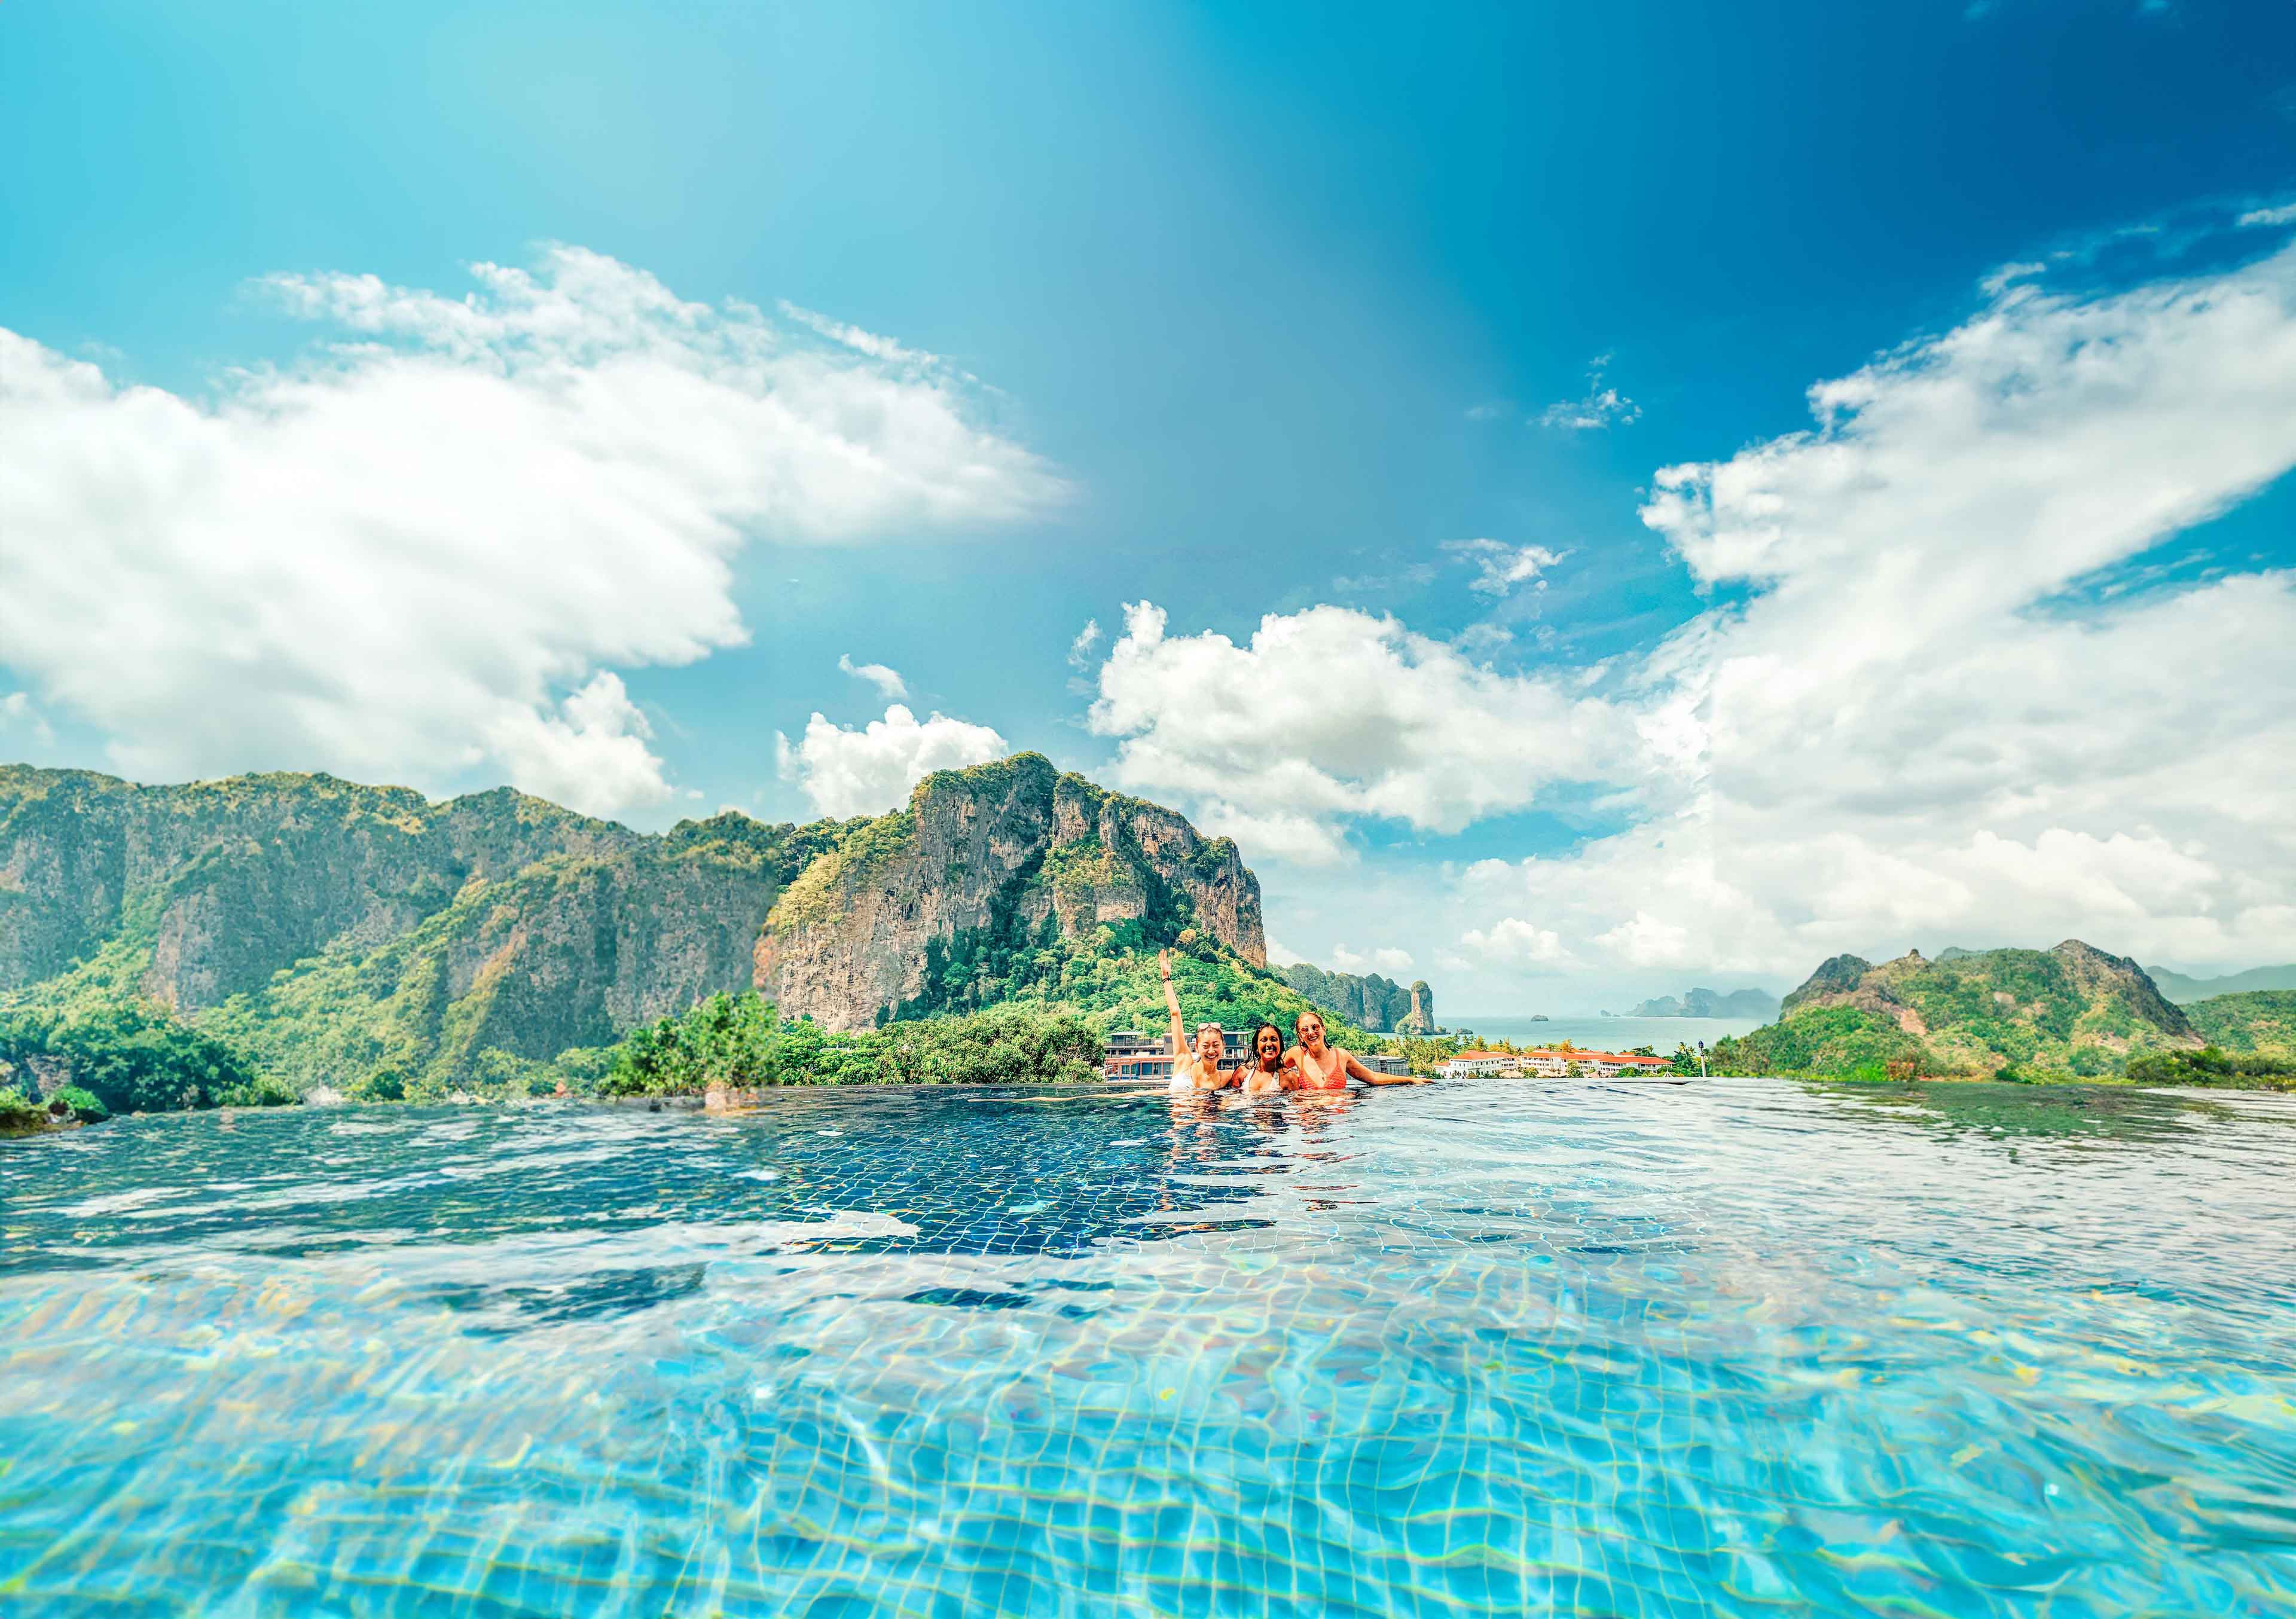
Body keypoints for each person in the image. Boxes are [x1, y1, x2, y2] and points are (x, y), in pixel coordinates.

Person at [1286, 1009, 1428, 1090]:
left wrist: (1410, 1079)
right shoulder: (1297, 1054)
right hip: (1311, 1121)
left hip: (1337, 1125)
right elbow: (1267, 1069)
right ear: (1300, 1036)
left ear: (1324, 1029)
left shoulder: (1341, 1056)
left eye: (1315, 1027)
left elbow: (1373, 1078)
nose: (1311, 1032)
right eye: (1305, 1030)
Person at [1159, 949, 1234, 1092]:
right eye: (1206, 1045)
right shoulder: (1184, 1061)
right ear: (1197, 1046)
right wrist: (1166, 978)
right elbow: (1175, 1012)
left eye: (1215, 1045)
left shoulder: (1228, 1077)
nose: (1211, 1051)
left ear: (1224, 1046)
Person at [1235, 1021, 1294, 1097]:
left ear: (1281, 1045)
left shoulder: (1289, 1078)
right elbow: (1231, 1101)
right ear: (1256, 1047)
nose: (1269, 1044)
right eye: (1264, 1040)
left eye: (1274, 1039)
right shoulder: (1242, 1073)